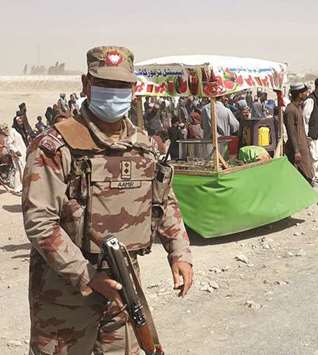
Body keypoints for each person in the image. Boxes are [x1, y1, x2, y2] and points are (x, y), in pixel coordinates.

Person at [22, 46, 193, 354]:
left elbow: (165, 201)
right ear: (86, 84)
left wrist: (180, 253)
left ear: (134, 88)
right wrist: (87, 275)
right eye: (105, 84)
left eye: (121, 86)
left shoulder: (142, 145)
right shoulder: (55, 147)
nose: (114, 93)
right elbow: (40, 223)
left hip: (123, 291)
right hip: (66, 297)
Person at [284, 84, 314, 184]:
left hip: (303, 145)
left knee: (307, 172)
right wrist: (296, 151)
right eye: (305, 92)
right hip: (298, 148)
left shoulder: (298, 108)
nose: (307, 94)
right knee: (303, 173)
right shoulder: (290, 110)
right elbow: (291, 131)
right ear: (300, 94)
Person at [0, 122, 27, 193]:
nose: (4, 130)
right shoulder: (9, 134)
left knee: (19, 170)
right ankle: (21, 187)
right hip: (18, 153)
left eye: (5, 128)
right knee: (21, 169)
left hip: (20, 151)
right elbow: (9, 144)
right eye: (2, 129)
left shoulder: (12, 131)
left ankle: (19, 187)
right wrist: (16, 151)